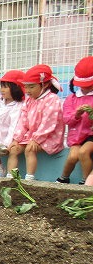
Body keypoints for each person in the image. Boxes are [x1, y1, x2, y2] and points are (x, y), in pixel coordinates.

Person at [8, 64, 65, 180]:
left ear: (45, 84)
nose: (27, 91)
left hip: (49, 137)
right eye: (26, 87)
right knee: (14, 149)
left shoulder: (52, 100)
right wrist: (16, 139)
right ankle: (9, 179)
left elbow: (49, 124)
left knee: (30, 149)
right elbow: (22, 121)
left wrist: (36, 139)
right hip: (32, 136)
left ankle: (29, 179)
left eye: (31, 87)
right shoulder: (29, 100)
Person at [56, 56, 93, 185]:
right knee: (72, 156)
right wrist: (77, 114)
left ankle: (86, 182)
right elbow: (67, 119)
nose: (84, 89)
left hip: (91, 135)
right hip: (77, 136)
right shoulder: (72, 99)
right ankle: (63, 178)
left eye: (88, 86)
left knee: (83, 152)